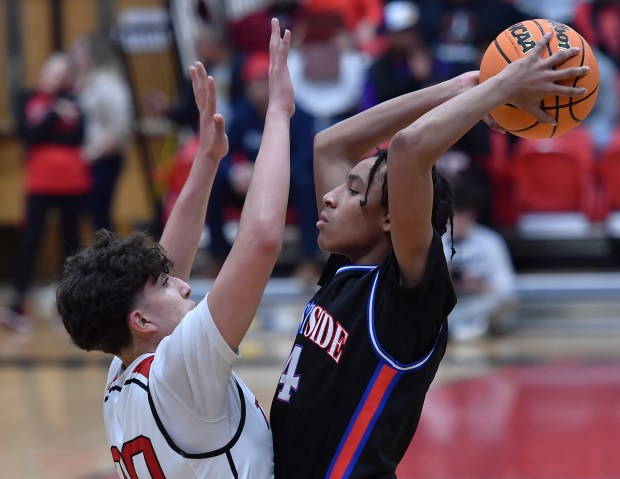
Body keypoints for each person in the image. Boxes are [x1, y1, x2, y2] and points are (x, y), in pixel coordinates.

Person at [269, 32, 589, 477]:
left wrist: (501, 87)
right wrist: (462, 87)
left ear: (390, 219)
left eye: (353, 189)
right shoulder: (348, 268)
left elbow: (409, 150)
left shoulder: (405, 296)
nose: (330, 197)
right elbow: (329, 144)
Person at [56, 19, 294, 477]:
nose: (184, 285)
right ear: (141, 320)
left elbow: (166, 256)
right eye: (167, 286)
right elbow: (262, 238)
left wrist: (206, 161)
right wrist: (278, 115)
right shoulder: (180, 371)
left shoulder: (122, 375)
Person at [204, 51, 322, 281]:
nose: (256, 91)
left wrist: (268, 176)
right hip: (249, 185)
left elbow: (303, 160)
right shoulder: (241, 115)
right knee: (216, 183)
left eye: (261, 85)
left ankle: (310, 258)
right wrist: (234, 173)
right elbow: (222, 152)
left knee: (306, 184)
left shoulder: (300, 116)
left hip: (286, 184)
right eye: (252, 85)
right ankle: (218, 256)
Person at [0, 52, 91, 333]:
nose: (54, 78)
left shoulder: (75, 101)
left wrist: (49, 127)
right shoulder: (28, 98)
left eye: (60, 73)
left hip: (72, 180)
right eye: (51, 71)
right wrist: (54, 115)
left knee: (71, 240)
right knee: (30, 240)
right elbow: (28, 133)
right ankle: (18, 305)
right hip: (39, 180)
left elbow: (77, 136)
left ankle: (74, 306)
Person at [70, 33, 133, 231]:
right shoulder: (87, 81)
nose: (76, 60)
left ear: (92, 56)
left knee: (100, 215)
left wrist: (92, 154)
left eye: (79, 54)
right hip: (88, 158)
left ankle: (110, 261)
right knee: (91, 214)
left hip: (104, 158)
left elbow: (120, 125)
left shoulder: (108, 82)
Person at [442, 177, 518, 341]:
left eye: (463, 214)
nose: (458, 220)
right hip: (447, 307)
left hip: (478, 303)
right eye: (455, 213)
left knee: (504, 300)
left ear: (472, 214)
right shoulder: (435, 242)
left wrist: (479, 285)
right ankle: (460, 327)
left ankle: (462, 328)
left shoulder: (490, 241)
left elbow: (506, 287)